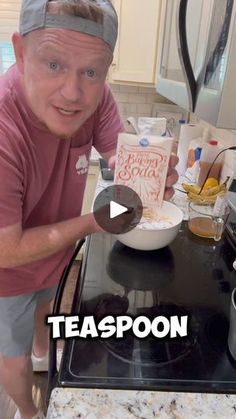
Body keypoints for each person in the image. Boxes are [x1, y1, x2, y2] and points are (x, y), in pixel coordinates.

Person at [0, 1, 178, 418]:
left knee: (46, 308)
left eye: (91, 72)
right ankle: (28, 410)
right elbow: (5, 250)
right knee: (13, 354)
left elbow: (120, 153)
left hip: (53, 252)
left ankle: (44, 356)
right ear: (21, 53)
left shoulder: (96, 99)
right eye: (54, 64)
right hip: (7, 274)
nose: (73, 93)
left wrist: (146, 172)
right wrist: (95, 220)